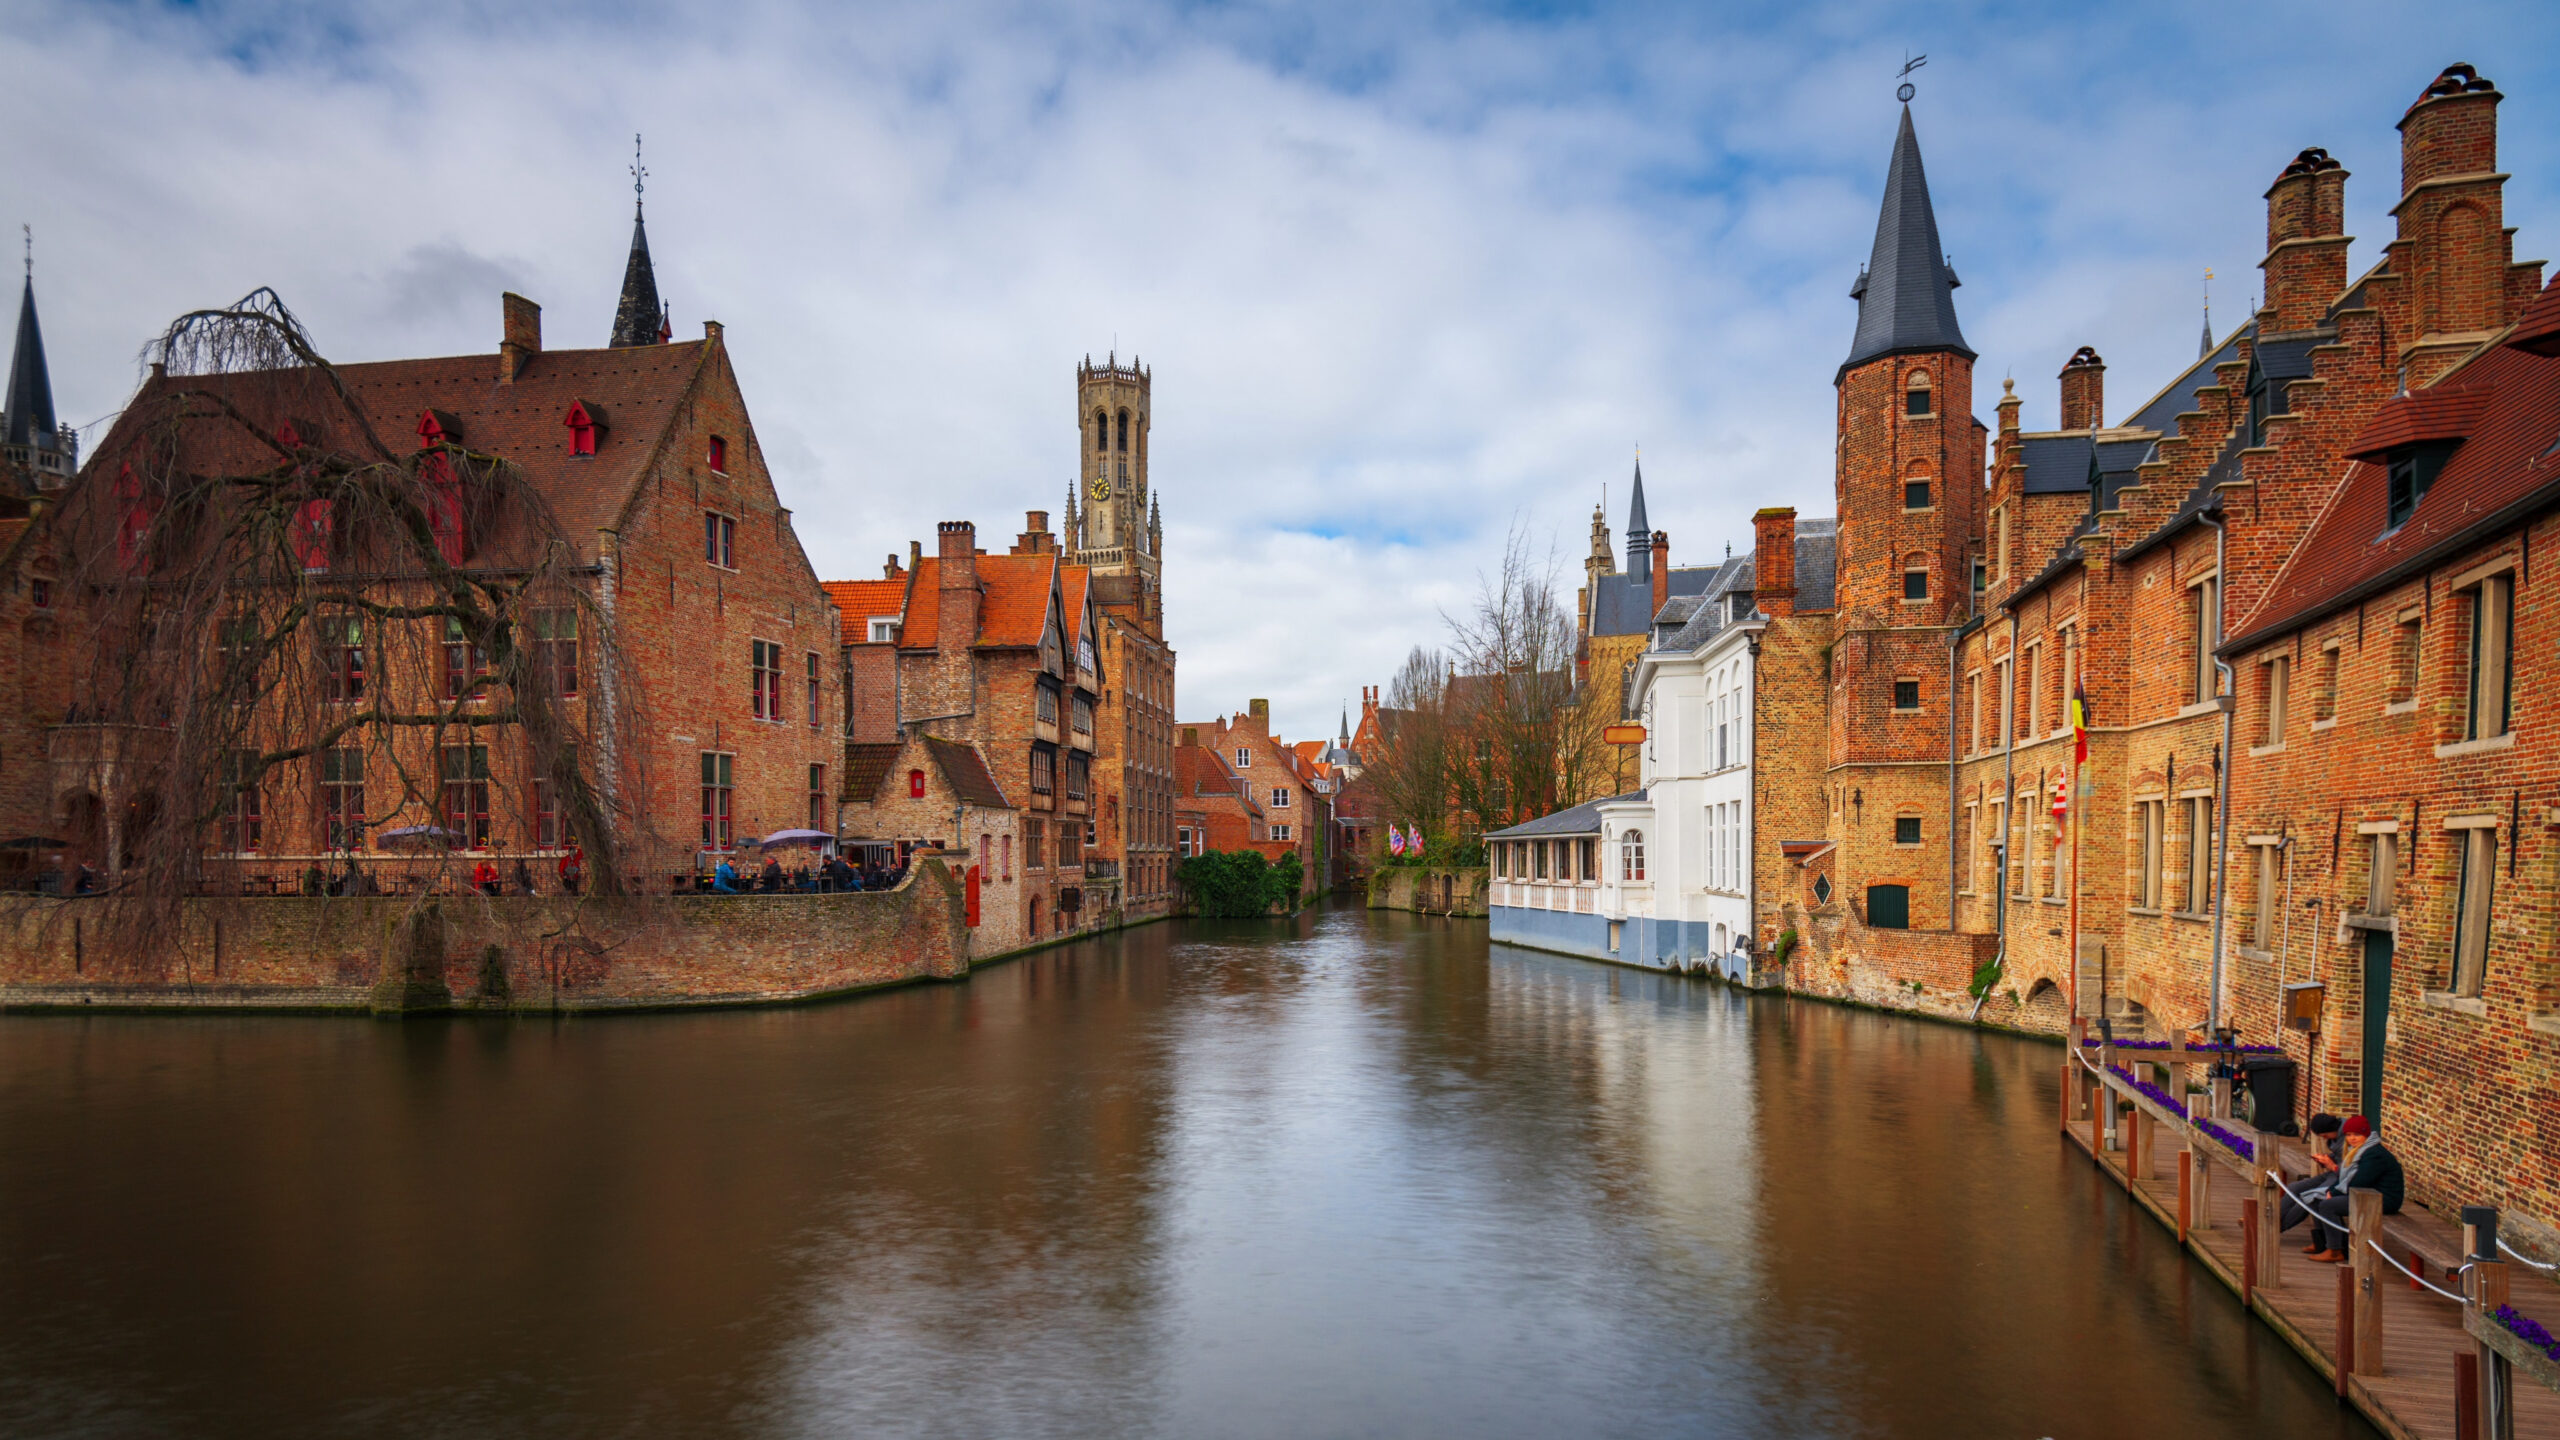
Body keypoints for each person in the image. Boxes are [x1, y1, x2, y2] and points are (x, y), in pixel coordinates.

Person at [2306, 1115, 2403, 1262]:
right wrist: (2330, 1190)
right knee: (2316, 1198)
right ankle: (2322, 1243)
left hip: (2383, 1199)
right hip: (2365, 1194)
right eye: (2349, 1135)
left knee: (2327, 1205)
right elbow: (2345, 1180)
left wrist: (2333, 1192)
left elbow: (2360, 1181)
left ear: (2366, 1135)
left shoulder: (2374, 1154)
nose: (2352, 1138)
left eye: (2357, 1134)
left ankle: (2335, 1250)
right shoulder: (2356, 1151)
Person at [2278, 1114, 2346, 1247]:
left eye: (2324, 1135)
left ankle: (2276, 1227)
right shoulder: (2337, 1138)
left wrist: (2331, 1165)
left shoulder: (2348, 1139)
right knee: (2294, 1187)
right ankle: (2270, 1220)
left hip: (2341, 1177)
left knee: (2310, 1197)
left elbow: (2351, 1170)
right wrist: (2326, 1159)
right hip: (2334, 1172)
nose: (2324, 1139)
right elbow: (2339, 1158)